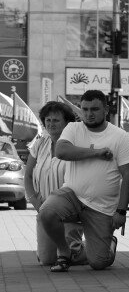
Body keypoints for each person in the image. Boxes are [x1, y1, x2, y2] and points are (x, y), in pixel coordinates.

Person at [38, 90, 129, 272]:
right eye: (85, 109)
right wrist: (96, 152)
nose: (89, 114)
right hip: (72, 195)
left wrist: (121, 211)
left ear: (106, 110)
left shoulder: (120, 136)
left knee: (98, 263)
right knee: (46, 212)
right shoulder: (73, 128)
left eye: (94, 109)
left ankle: (109, 243)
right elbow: (61, 151)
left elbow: (128, 176)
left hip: (101, 207)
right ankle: (65, 252)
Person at [25, 101, 88, 266]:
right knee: (47, 260)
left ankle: (101, 248)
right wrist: (34, 200)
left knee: (70, 256)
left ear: (67, 123)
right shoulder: (39, 143)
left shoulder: (75, 144)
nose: (51, 124)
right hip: (44, 210)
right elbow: (28, 175)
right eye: (48, 120)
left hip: (69, 212)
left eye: (56, 120)